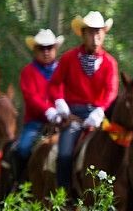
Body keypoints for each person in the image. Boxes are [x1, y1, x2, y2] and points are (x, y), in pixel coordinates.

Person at [48, 11, 120, 193]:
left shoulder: (110, 62)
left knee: (120, 148)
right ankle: (64, 195)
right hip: (73, 114)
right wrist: (60, 103)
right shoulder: (68, 58)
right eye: (90, 32)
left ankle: (116, 193)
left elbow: (112, 90)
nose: (95, 36)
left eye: (98, 32)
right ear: (83, 34)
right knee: (64, 154)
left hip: (99, 114)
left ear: (104, 34)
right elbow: (55, 83)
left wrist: (100, 110)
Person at [15, 28, 63, 175]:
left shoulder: (63, 69)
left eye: (49, 48)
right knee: (23, 148)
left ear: (55, 49)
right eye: (42, 48)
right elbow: (30, 97)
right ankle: (20, 183)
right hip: (36, 122)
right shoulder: (27, 72)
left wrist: (61, 111)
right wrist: (48, 110)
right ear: (35, 50)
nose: (46, 52)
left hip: (62, 120)